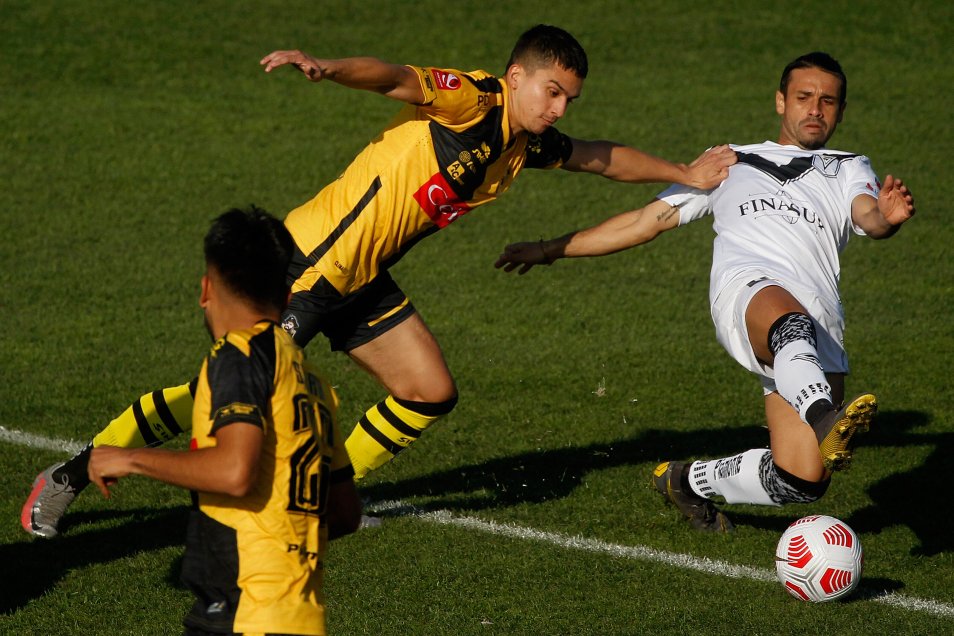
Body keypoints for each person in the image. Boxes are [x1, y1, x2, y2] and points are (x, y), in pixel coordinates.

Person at [22, 24, 735, 538]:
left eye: (568, 100)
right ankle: (74, 472)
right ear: (517, 75)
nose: (558, 109)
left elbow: (597, 157)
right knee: (229, 390)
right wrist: (327, 67)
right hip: (309, 265)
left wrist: (685, 172)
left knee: (429, 391)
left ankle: (325, 495)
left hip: (361, 278)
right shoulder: (474, 100)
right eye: (551, 92)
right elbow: (397, 78)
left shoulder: (524, 144)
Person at [495, 52, 915, 531]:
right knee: (790, 327)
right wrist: (549, 249)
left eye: (828, 101)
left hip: (819, 321)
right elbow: (644, 221)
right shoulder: (728, 162)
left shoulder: (848, 166)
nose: (815, 109)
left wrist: (887, 219)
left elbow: (868, 217)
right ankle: (823, 417)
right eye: (803, 97)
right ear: (780, 101)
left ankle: (687, 481)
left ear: (841, 111)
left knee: (802, 480)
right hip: (748, 292)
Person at [87, 206, 361, 634]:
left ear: (206, 289)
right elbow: (344, 513)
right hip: (298, 616)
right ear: (287, 297)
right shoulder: (313, 381)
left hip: (246, 609)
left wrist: (130, 458)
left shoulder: (240, 353)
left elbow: (234, 472)